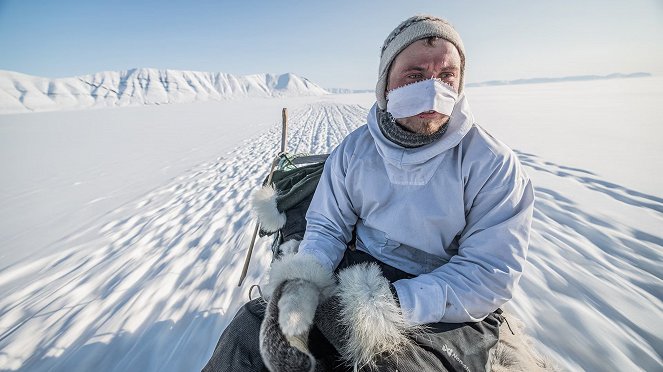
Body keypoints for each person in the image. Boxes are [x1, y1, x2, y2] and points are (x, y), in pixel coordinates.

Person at [203, 15, 534, 372]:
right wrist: (302, 283)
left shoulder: (491, 163)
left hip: (447, 301)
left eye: (446, 76)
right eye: (415, 76)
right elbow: (328, 228)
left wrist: (392, 302)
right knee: (249, 330)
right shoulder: (354, 152)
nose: (433, 89)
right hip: (360, 269)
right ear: (385, 84)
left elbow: (488, 271)